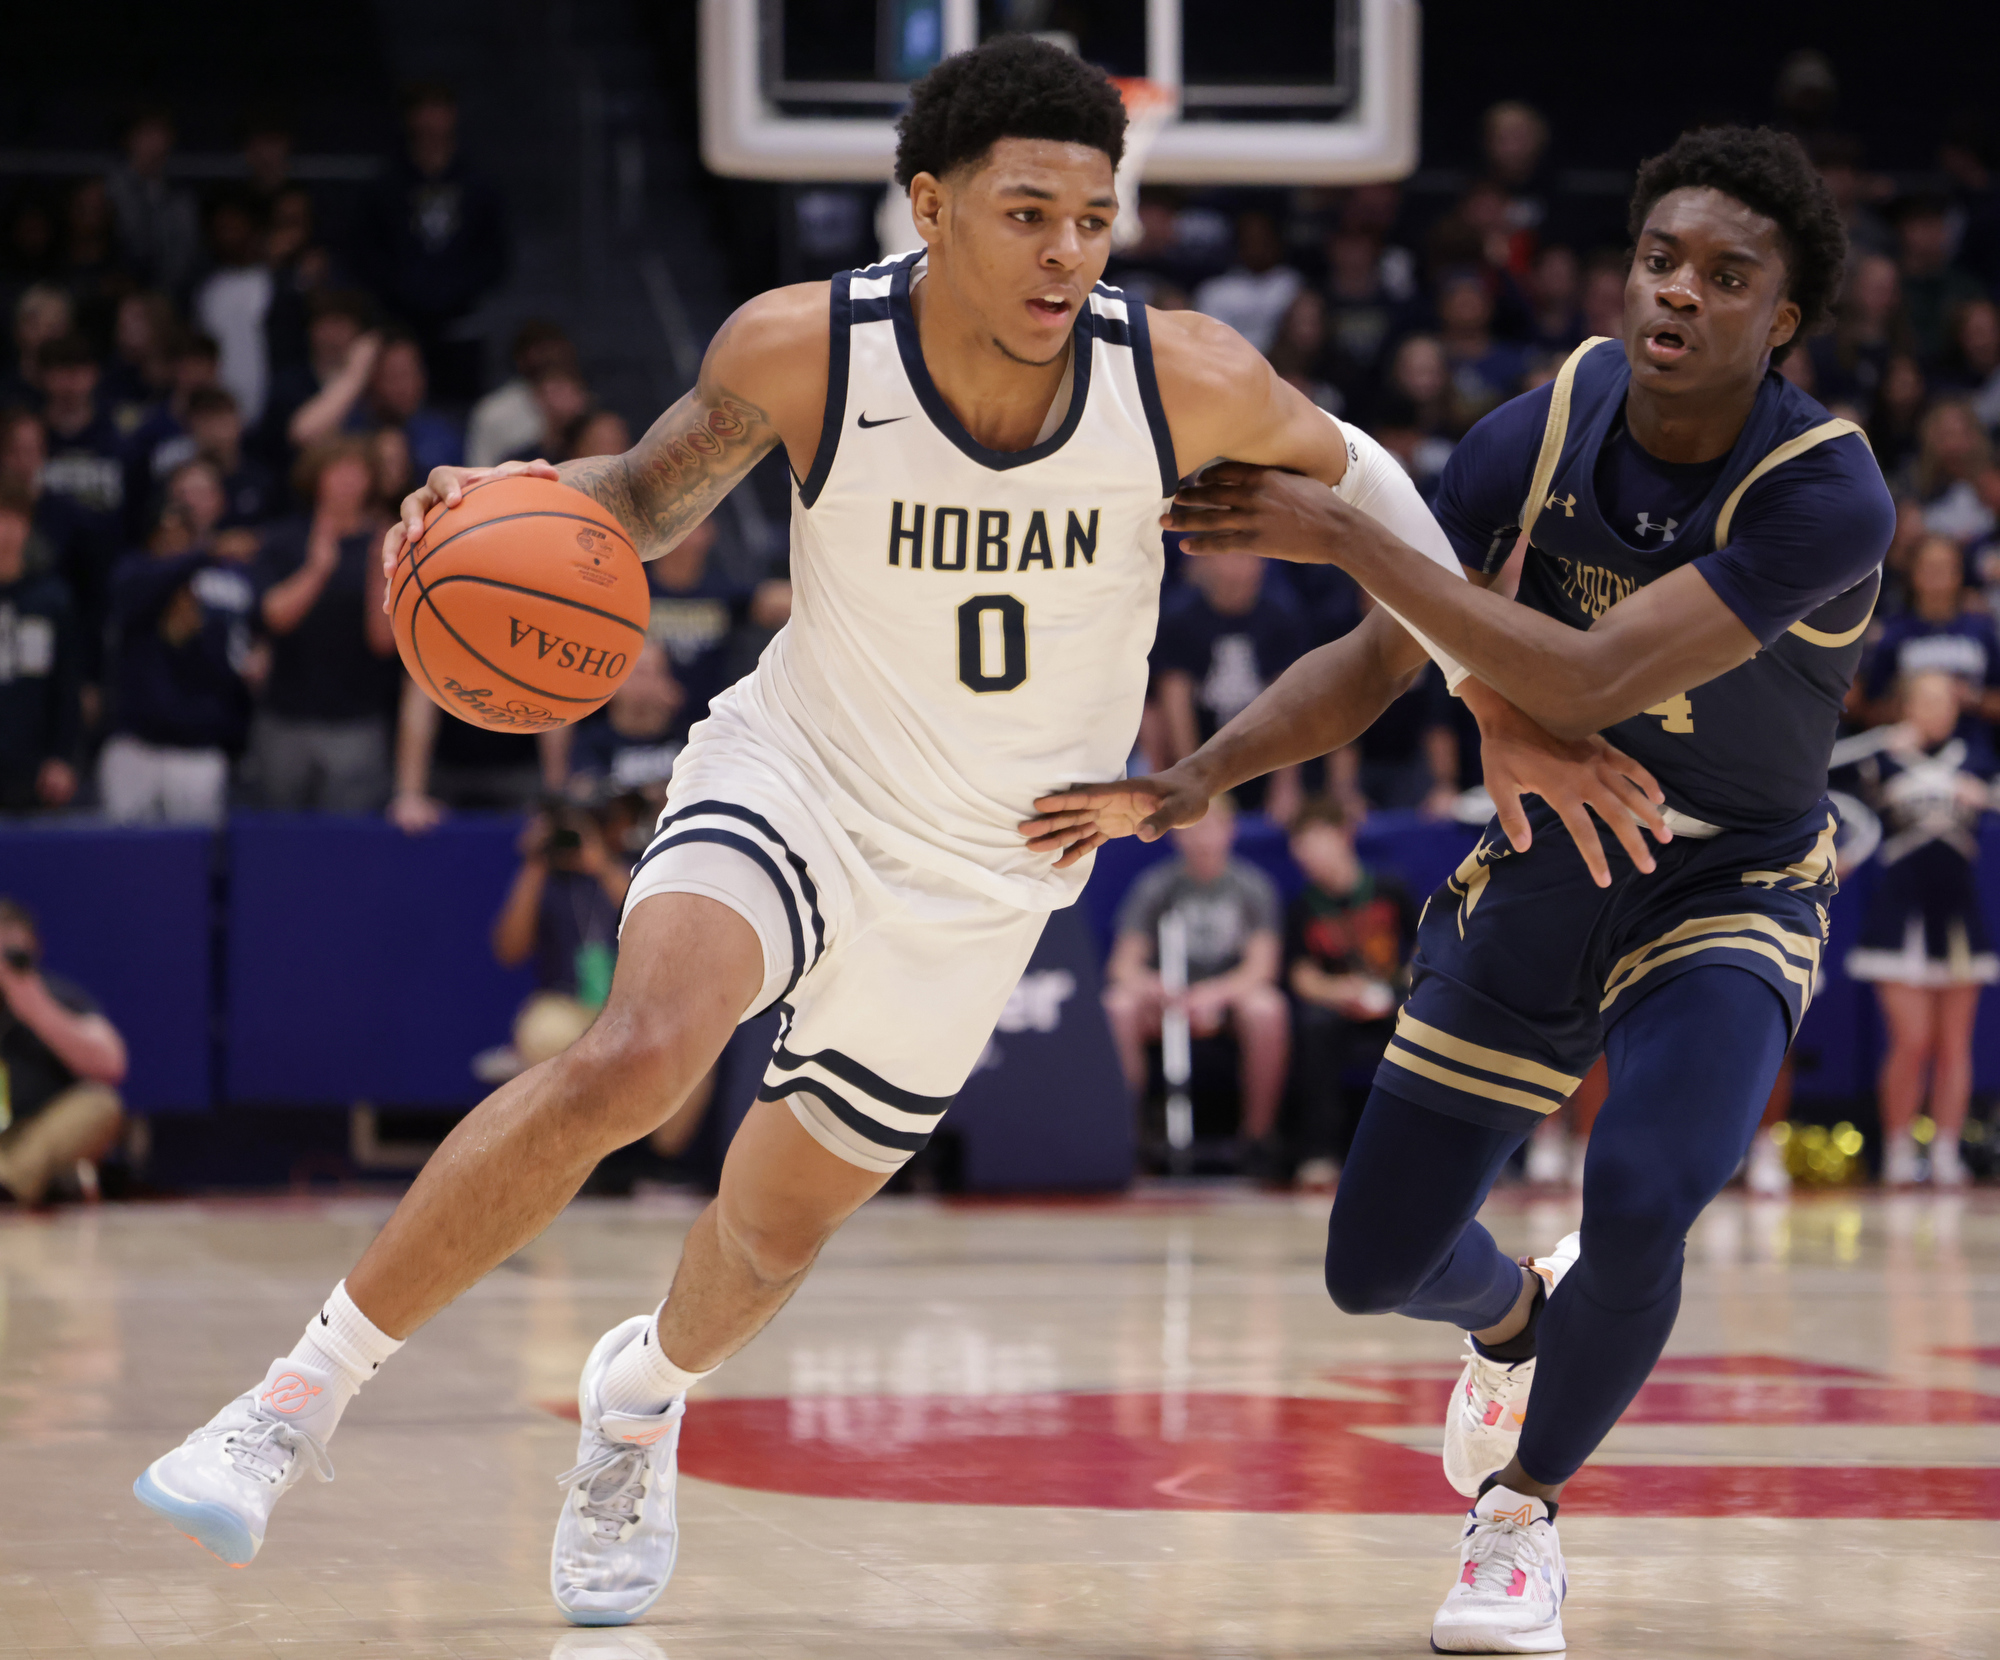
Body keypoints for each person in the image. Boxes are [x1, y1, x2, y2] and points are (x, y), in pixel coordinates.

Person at [134, 38, 1660, 1627]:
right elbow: (646, 501)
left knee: (770, 1232)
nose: (1067, 251)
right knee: (636, 1055)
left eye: (1092, 216)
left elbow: (1375, 493)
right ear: (930, 207)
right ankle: (290, 1404)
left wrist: (1487, 687)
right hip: (800, 770)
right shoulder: (807, 348)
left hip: (994, 864)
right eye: (1025, 214)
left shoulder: (1185, 373)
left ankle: (642, 1397)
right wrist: (501, 498)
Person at [1038, 125, 1891, 1652]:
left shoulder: (1827, 496)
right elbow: (1380, 659)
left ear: (1786, 324)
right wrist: (1202, 776)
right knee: (1373, 1270)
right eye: (1659, 258)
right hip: (1552, 868)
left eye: (1727, 276)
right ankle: (1512, 1321)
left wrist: (1353, 533)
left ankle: (1522, 1514)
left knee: (1643, 1194)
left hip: (1729, 885)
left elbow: (1588, 671)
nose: (1678, 293)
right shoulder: (1543, 430)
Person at [1842, 670, 1994, 1187]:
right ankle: (1900, 1148)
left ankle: (1947, 1150)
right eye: (1925, 699)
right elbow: (1821, 774)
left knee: (1955, 1044)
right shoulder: (1880, 755)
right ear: (1905, 705)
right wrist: (1877, 740)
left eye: (1944, 700)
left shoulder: (1975, 757)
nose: (1936, 709)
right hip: (1897, 914)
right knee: (1911, 1041)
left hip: (1957, 915)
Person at [1103, 796, 1287, 1162]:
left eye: (1211, 828)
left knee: (1268, 1008)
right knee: (1117, 1005)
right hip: (1167, 998)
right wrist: (1154, 986)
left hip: (1225, 1000)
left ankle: (1256, 1139)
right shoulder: (1154, 886)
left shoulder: (1252, 887)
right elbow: (1122, 966)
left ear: (1230, 831)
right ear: (1176, 836)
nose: (1202, 839)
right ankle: (1127, 1138)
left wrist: (1212, 994)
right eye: (1193, 830)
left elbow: (1262, 967)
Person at [100, 464, 260, 825]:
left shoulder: (214, 592)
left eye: (181, 534)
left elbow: (225, 669)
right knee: (125, 857)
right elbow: (146, 586)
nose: (172, 542)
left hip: (198, 751)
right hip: (136, 748)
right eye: (164, 534)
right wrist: (209, 551)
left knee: (194, 863)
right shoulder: (133, 576)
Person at [250, 437, 397, 810]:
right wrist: (318, 568)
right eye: (337, 470)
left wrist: (378, 573)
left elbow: (384, 643)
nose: (347, 481)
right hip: (285, 716)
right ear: (316, 477)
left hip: (356, 719)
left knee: (349, 838)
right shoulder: (284, 539)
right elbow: (273, 617)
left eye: (358, 471)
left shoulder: (385, 543)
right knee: (278, 833)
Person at [351, 83, 508, 401]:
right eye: (424, 109)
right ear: (410, 117)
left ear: (453, 115)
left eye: (439, 108)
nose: (431, 120)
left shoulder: (478, 185)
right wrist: (404, 288)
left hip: (461, 324)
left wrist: (457, 288)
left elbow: (496, 254)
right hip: (400, 322)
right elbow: (366, 251)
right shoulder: (385, 185)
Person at [1150, 550, 1307, 818]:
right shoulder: (1179, 618)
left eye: (1248, 557)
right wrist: (1188, 778)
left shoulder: (1282, 615)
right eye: (1230, 557)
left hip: (1261, 756)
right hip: (1201, 751)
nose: (1239, 570)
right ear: (1205, 560)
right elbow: (1173, 704)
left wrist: (1286, 785)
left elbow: (1291, 703)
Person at [0, 897, 127, 1205]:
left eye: (13, 955)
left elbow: (112, 1064)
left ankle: (8, 1182)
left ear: (34, 949)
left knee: (101, 1104)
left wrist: (35, 1008)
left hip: (30, 1137)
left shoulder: (57, 995)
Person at [1857, 533, 2000, 733]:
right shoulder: (1893, 633)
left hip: (1973, 751)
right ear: (1913, 573)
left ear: (1958, 573)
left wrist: (1973, 698)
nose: (1936, 577)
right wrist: (1907, 704)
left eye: (1944, 568)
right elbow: (1869, 710)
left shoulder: (1980, 629)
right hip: (1909, 750)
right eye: (1928, 568)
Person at [0, 486, 81, 810]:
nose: (3, 532)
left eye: (12, 520)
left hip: (30, 765)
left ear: (27, 527)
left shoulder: (50, 599)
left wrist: (61, 757)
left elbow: (65, 685)